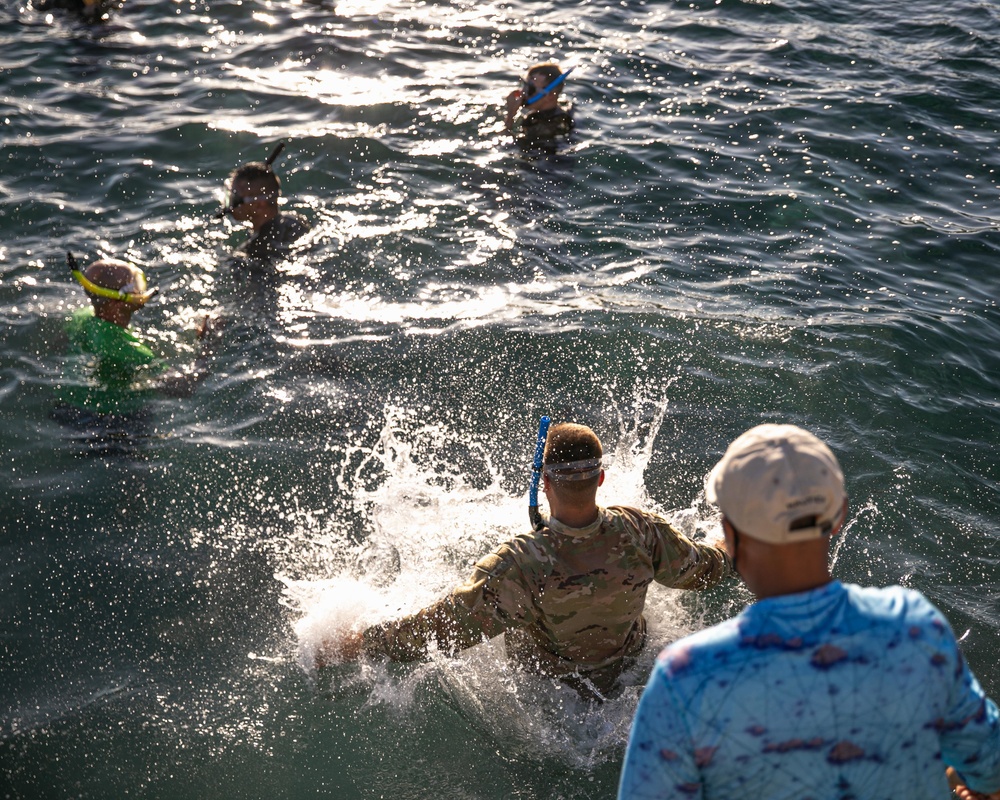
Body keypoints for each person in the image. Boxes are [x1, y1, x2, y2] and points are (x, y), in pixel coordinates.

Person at [618, 424, 1000, 800]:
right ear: (839, 517)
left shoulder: (686, 675)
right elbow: (991, 767)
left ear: (729, 534)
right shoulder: (915, 628)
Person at [323, 422, 733, 699]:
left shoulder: (522, 562)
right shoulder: (642, 531)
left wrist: (360, 643)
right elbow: (704, 570)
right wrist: (726, 539)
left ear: (546, 481)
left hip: (554, 693)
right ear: (601, 478)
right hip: (625, 675)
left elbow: (445, 628)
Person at [53, 255, 214, 438]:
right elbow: (185, 387)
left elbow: (59, 347)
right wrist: (208, 344)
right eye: (135, 285)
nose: (139, 290)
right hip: (111, 425)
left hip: (68, 409)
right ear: (117, 301)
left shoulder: (81, 316)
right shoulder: (127, 348)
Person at [221, 159, 309, 265]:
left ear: (259, 205)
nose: (230, 205)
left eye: (235, 198)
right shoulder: (296, 221)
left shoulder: (254, 250)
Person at [503, 62, 574, 148]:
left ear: (550, 96)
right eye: (524, 86)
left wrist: (510, 115)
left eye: (530, 89)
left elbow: (508, 147)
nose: (522, 93)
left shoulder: (542, 127)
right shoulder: (564, 110)